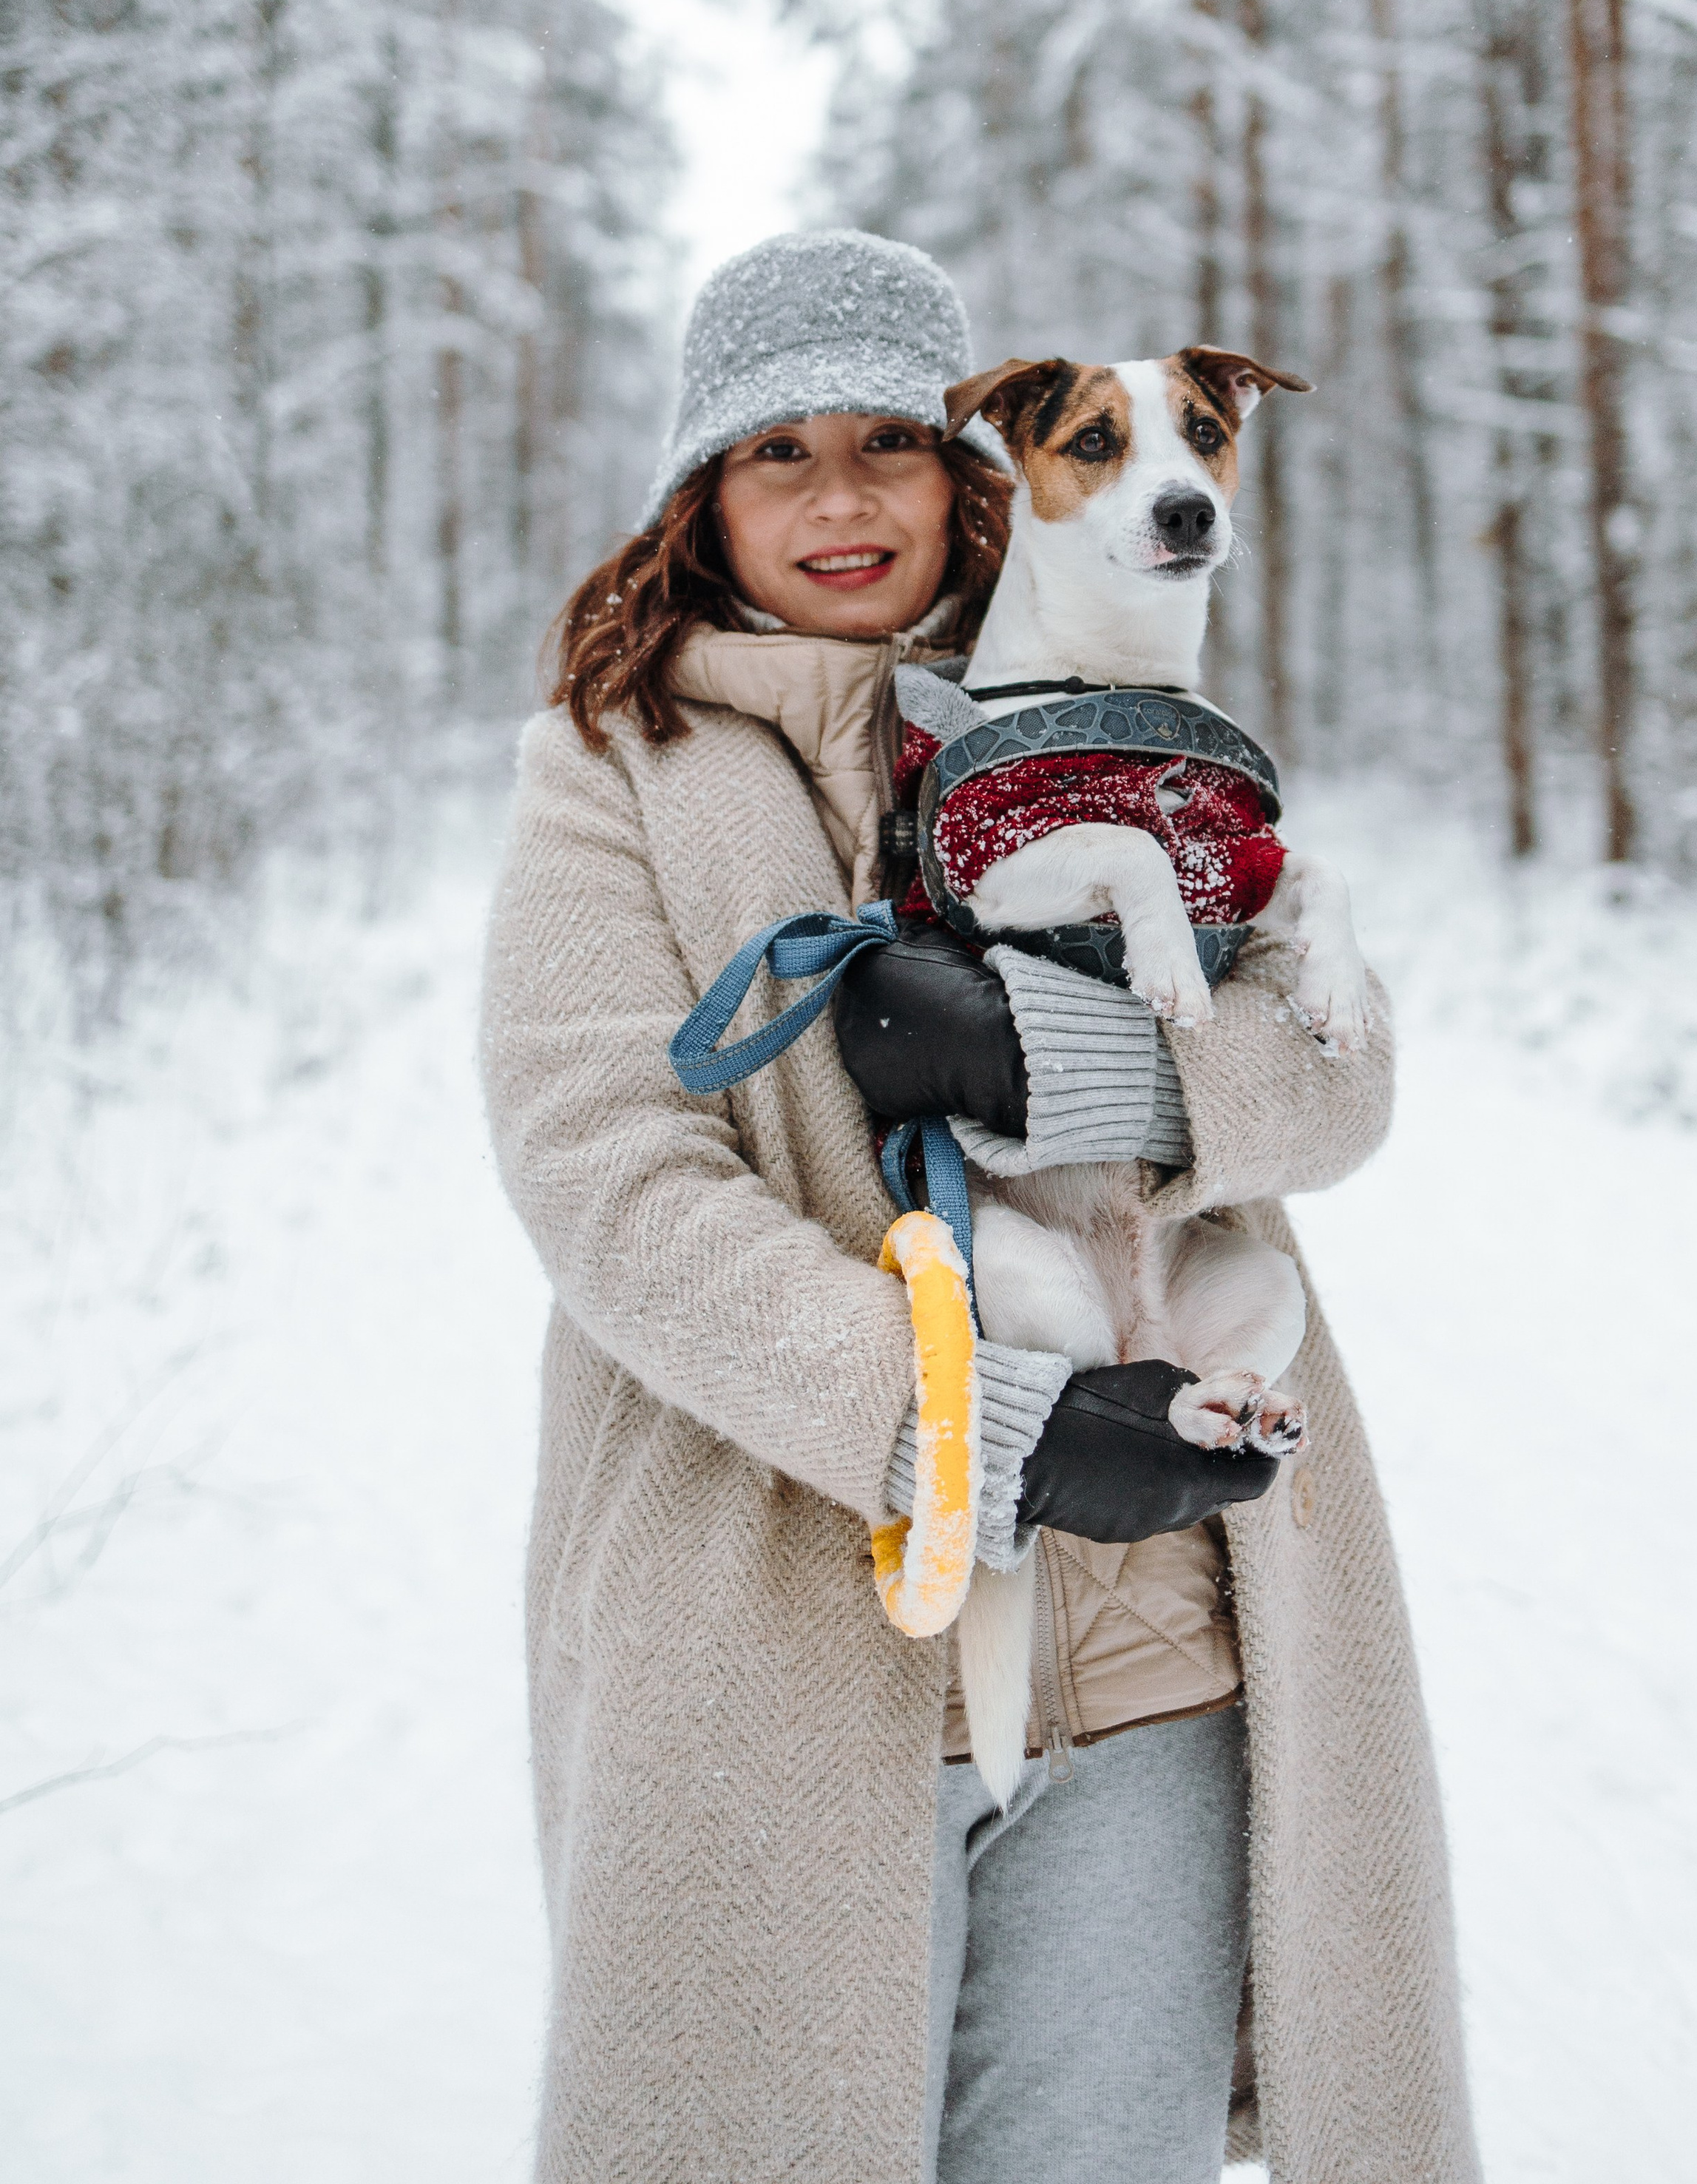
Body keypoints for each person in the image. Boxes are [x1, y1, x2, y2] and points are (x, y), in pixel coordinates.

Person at [481, 230, 1480, 2184]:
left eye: (885, 439)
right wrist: (985, 1431)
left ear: (978, 471)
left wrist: (1073, 1069)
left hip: (1155, 1652)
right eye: (780, 453)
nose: (843, 494)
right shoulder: (615, 764)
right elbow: (610, 1184)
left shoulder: (1112, 714)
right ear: (703, 496)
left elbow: (1344, 1076)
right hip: (784, 1646)